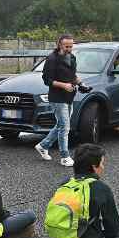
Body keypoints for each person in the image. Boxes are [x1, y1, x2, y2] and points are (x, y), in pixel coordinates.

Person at [34, 35, 83, 167]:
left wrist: (81, 83)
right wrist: (64, 85)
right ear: (59, 45)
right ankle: (64, 156)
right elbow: (47, 80)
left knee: (61, 125)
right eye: (67, 46)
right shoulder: (51, 59)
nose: (69, 49)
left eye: (71, 46)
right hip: (57, 98)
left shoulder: (72, 57)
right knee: (65, 127)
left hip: (69, 96)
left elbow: (73, 76)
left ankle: (43, 145)